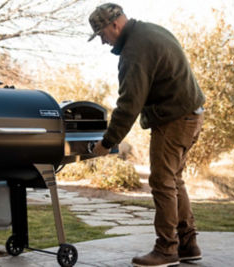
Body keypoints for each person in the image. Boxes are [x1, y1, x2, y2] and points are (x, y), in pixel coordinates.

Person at [88, 3, 205, 267]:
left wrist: (107, 142)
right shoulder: (151, 31)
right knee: (174, 179)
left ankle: (166, 249)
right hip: (192, 113)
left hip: (175, 118)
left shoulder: (134, 51)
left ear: (114, 25)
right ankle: (188, 244)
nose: (103, 42)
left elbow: (129, 104)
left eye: (102, 34)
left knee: (162, 182)